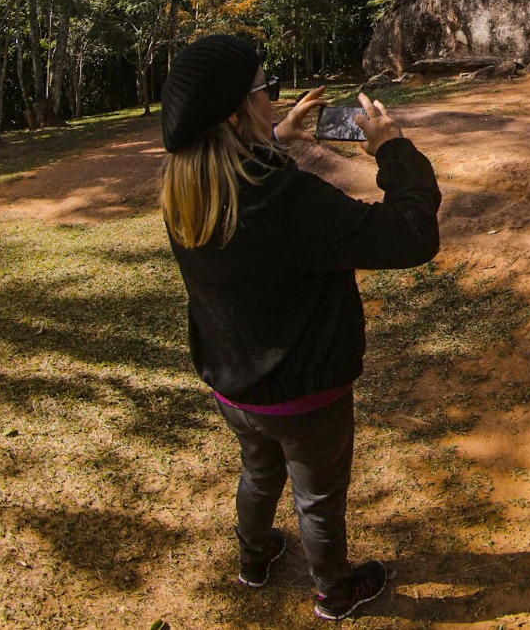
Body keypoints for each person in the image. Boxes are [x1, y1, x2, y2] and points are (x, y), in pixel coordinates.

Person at [158, 34, 441, 620]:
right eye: (268, 89)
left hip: (234, 388)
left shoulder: (187, 191)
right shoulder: (283, 200)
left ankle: (254, 560)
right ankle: (335, 591)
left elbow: (251, 206)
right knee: (317, 498)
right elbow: (412, 235)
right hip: (307, 396)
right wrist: (392, 148)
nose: (275, 97)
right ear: (237, 113)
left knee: (259, 473)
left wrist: (275, 136)